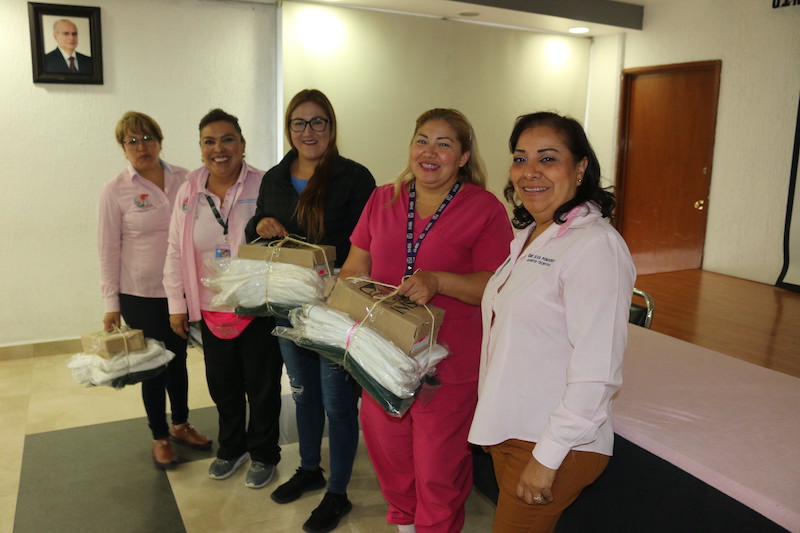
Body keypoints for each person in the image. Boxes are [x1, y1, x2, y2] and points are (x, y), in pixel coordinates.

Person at [338, 108, 514, 533]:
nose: (429, 152)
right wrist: (351, 302)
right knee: (390, 455)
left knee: (438, 467)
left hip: (447, 365)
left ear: (464, 157)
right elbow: (353, 269)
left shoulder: (484, 209)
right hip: (382, 356)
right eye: (422, 141)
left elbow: (496, 286)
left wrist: (438, 281)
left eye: (443, 144)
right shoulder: (383, 199)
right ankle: (405, 524)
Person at [468, 112, 636, 533]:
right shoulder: (532, 235)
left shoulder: (595, 246)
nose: (530, 172)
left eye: (547, 158)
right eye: (520, 158)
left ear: (580, 168)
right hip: (513, 431)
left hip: (552, 444)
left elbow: (598, 369)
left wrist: (547, 457)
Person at [245, 89, 375, 532]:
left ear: (331, 127)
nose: (308, 131)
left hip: (337, 306)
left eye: (318, 121)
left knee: (337, 401)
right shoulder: (275, 178)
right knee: (302, 392)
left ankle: (337, 491)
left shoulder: (354, 178)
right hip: (289, 302)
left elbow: (370, 240)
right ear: (289, 129)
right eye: (299, 122)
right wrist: (259, 224)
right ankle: (309, 468)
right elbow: (257, 229)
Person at [163, 108, 283, 488]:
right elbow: (174, 250)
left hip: (257, 305)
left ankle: (264, 453)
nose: (219, 149)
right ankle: (232, 448)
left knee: (262, 386)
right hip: (211, 307)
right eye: (209, 142)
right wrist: (177, 305)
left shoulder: (266, 184)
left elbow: (285, 242)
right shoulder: (189, 191)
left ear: (242, 144)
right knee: (222, 384)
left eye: (228, 139)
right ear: (200, 149)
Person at [97, 111, 211, 469]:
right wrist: (111, 303)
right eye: (131, 141)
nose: (141, 146)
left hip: (180, 289)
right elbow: (107, 250)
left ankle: (181, 424)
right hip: (139, 294)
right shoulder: (115, 190)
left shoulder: (185, 179)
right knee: (153, 365)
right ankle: (159, 436)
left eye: (147, 138)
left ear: (159, 141)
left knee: (178, 359)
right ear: (122, 148)